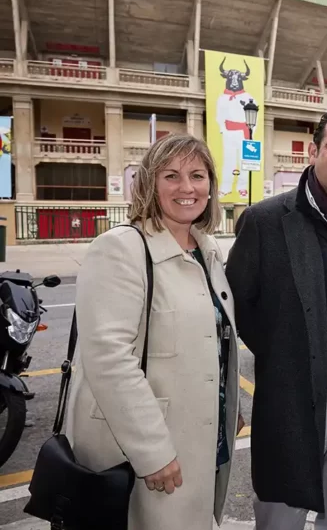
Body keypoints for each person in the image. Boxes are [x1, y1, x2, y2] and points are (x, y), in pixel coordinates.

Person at [66, 134, 241, 530]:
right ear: (149, 183)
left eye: (197, 175)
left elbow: (211, 341)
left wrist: (228, 406)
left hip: (200, 438)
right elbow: (110, 360)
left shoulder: (207, 249)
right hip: (148, 449)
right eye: (171, 175)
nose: (187, 187)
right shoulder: (121, 248)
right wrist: (153, 452)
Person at [226, 108, 327, 530]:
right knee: (280, 514)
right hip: (290, 397)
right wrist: (285, 356)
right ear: (313, 152)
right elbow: (236, 308)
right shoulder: (264, 221)